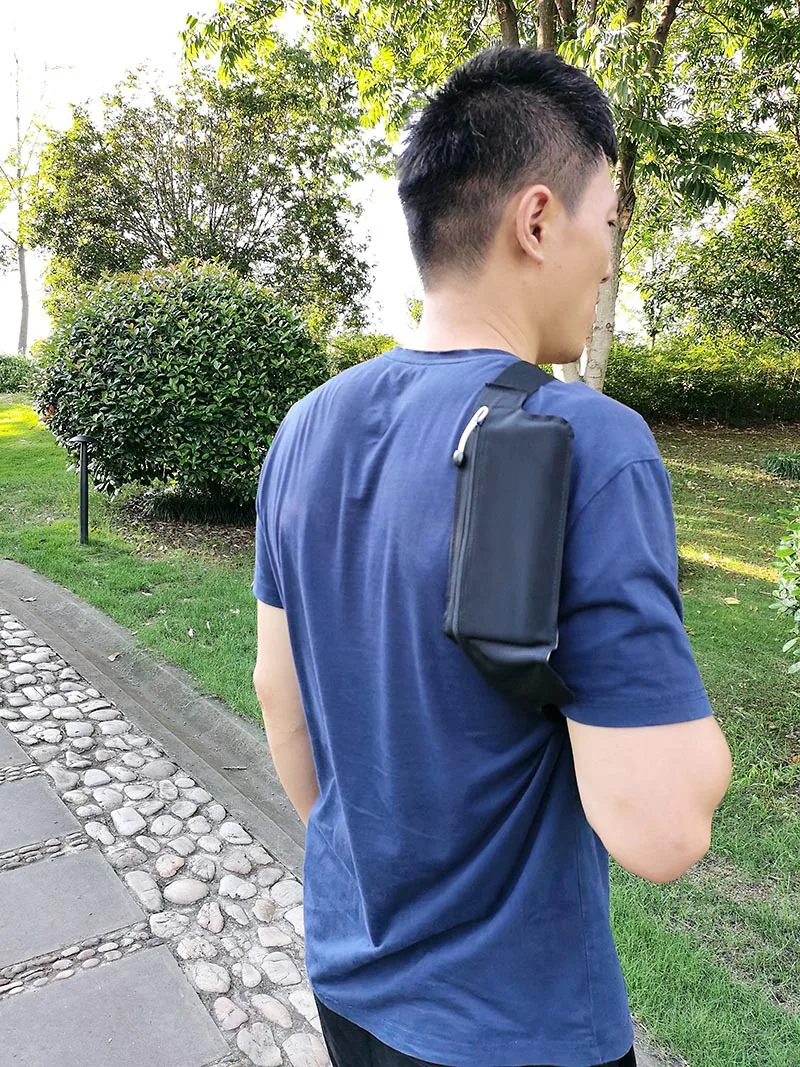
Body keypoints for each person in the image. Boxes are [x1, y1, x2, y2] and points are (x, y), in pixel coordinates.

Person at [252, 46, 732, 1067]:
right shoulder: (588, 441)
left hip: (347, 977)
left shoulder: (304, 427)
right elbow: (661, 830)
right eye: (610, 224)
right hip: (517, 1030)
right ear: (537, 221)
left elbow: (278, 696)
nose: (609, 259)